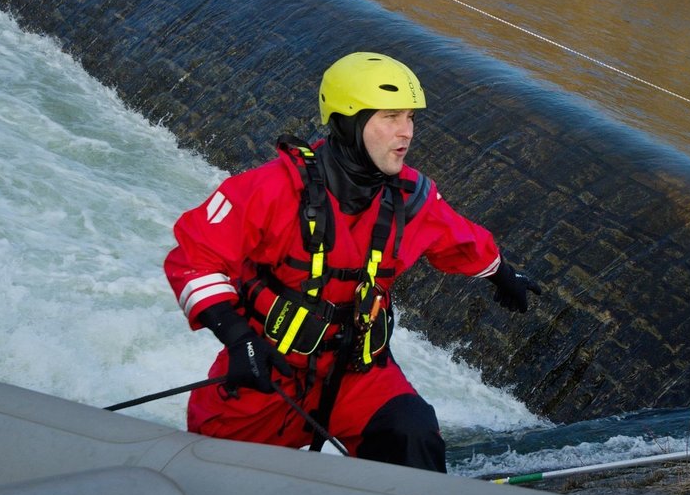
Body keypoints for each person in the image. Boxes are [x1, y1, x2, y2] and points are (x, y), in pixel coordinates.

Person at [164, 52, 540, 472]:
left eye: (411, 118)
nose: (406, 132)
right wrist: (237, 338)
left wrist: (504, 275)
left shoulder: (411, 196)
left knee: (413, 433)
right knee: (210, 471)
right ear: (347, 123)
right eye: (391, 116)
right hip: (268, 372)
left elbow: (460, 239)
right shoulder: (270, 188)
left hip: (358, 373)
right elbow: (193, 259)